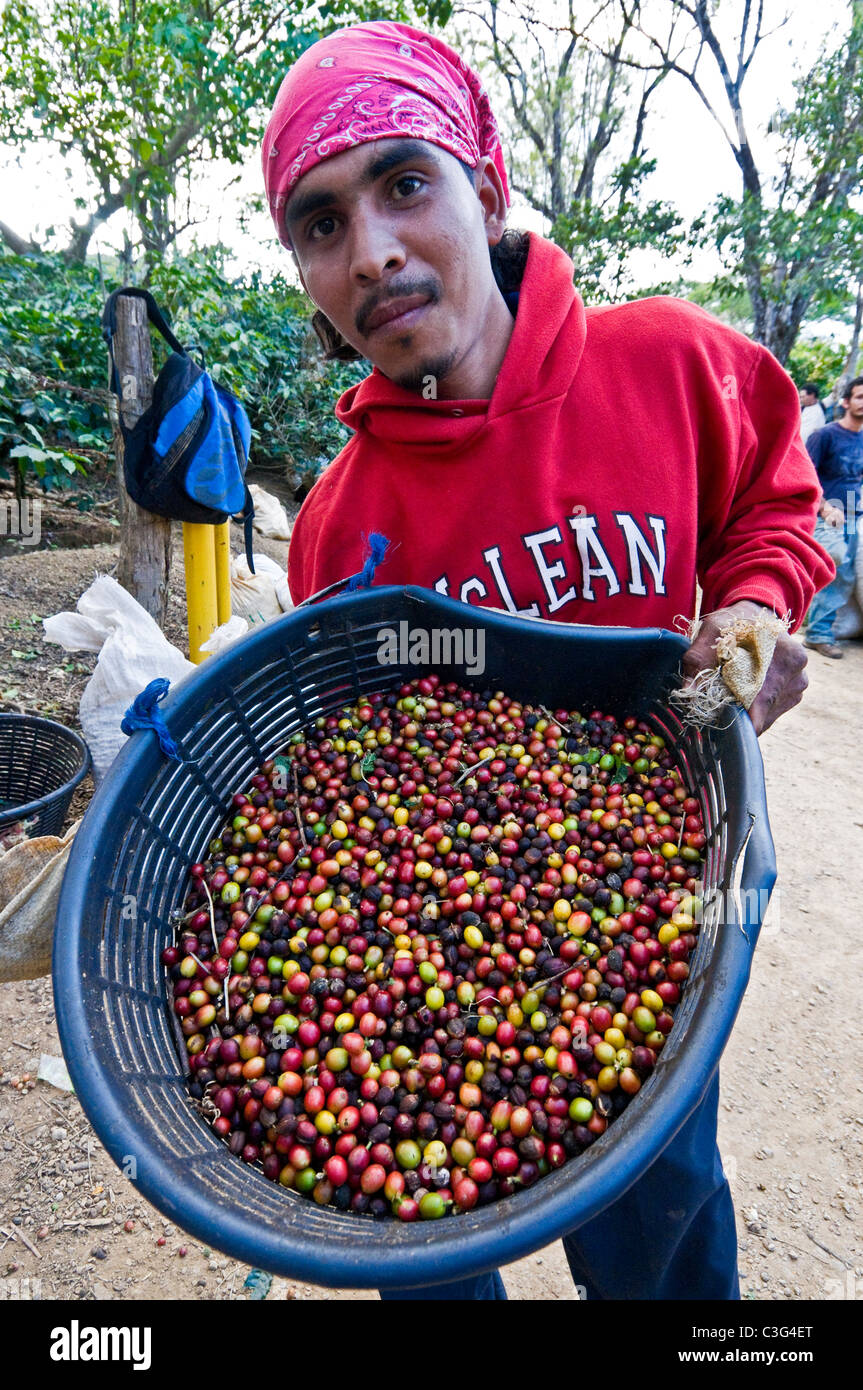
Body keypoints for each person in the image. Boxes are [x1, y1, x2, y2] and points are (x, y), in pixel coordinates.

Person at [261, 20, 834, 1301]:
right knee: (417, 1230)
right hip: (452, 923)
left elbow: (773, 497)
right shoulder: (337, 530)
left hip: (689, 871)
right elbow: (364, 758)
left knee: (665, 1197)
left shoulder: (667, 359)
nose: (374, 251)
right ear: (301, 263)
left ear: (486, 180)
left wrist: (747, 606)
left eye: (405, 183)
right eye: (320, 223)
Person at [803, 376, 863, 658]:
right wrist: (825, 508)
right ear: (846, 401)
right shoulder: (824, 435)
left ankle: (818, 630)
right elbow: (806, 476)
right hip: (826, 514)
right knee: (834, 564)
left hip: (853, 513)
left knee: (846, 575)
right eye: (860, 397)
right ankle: (816, 633)